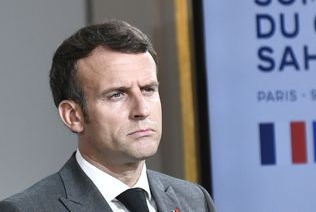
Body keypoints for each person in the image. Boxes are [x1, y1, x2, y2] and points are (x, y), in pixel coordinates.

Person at [0, 20, 216, 212]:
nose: (142, 110)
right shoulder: (25, 209)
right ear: (73, 116)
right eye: (117, 94)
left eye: (148, 89)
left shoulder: (195, 200)